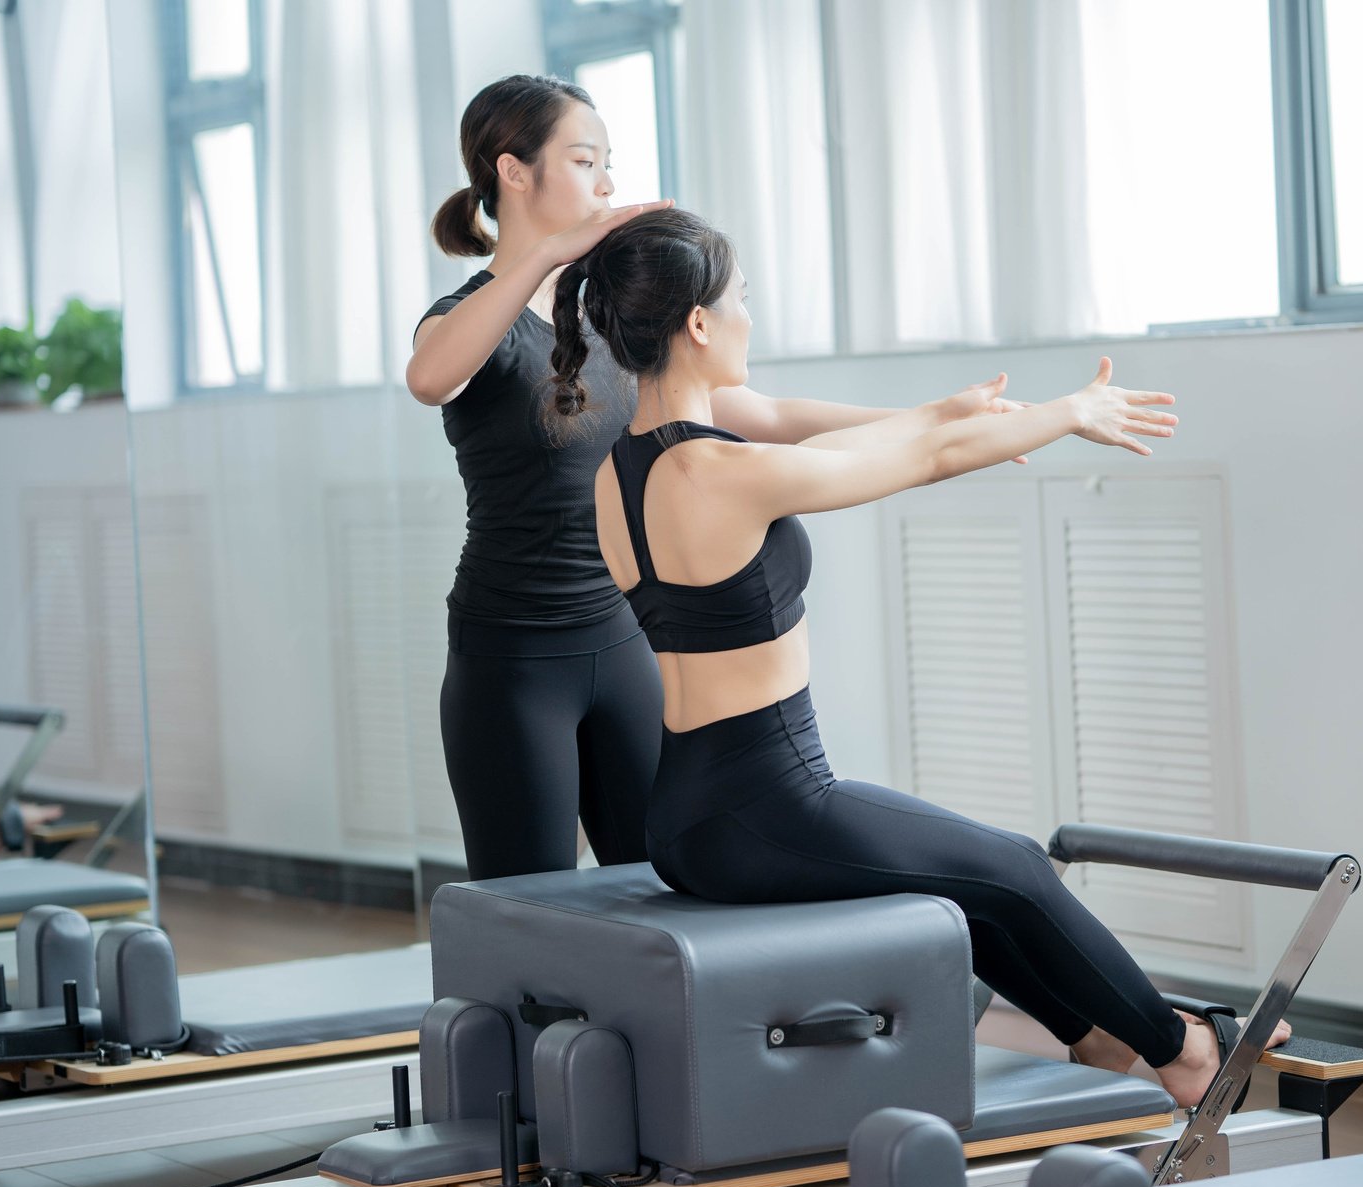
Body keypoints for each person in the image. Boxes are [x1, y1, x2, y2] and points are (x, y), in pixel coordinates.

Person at [551, 207, 1290, 1105]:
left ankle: (1098, 1033)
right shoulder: (723, 473)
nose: (752, 316)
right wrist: (1069, 413)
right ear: (699, 323)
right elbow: (925, 459)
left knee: (983, 872)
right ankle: (1185, 1054)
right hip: (767, 801)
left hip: (689, 812)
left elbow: (833, 442)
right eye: (742, 298)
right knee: (1011, 870)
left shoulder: (622, 471)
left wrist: (945, 410)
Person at [407, 75, 1008, 878]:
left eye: (608, 164)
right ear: (515, 173)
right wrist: (547, 253)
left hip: (623, 643)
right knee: (525, 902)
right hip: (510, 662)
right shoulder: (467, 317)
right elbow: (430, 378)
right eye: (587, 162)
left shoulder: (610, 319)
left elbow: (762, 413)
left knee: (656, 881)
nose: (608, 185)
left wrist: (938, 416)